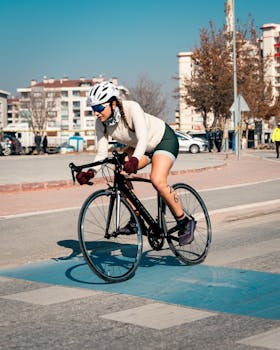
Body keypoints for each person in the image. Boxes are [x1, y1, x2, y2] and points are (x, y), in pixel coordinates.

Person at [76, 81, 196, 245]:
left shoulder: (132, 108)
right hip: (140, 148)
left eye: (98, 108)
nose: (96, 113)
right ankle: (136, 218)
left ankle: (185, 222)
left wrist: (134, 160)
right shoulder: (101, 123)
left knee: (157, 180)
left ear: (112, 103)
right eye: (93, 109)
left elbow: (143, 138)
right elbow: (101, 153)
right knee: (119, 173)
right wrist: (90, 172)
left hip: (162, 140)